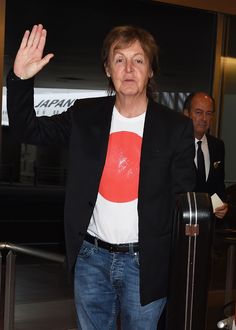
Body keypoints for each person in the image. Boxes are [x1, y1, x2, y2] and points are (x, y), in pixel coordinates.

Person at [7, 24, 196, 329]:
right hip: (91, 260)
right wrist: (19, 80)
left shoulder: (175, 128)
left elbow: (182, 199)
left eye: (138, 59)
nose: (129, 68)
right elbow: (27, 129)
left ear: (150, 70)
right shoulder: (85, 115)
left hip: (146, 264)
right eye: (119, 59)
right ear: (108, 69)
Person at [183, 91, 228, 219]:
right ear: (186, 114)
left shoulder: (218, 146)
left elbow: (219, 183)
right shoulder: (175, 145)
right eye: (198, 112)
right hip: (183, 220)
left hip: (209, 222)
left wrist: (222, 205)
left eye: (208, 113)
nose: (204, 118)